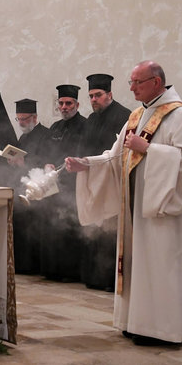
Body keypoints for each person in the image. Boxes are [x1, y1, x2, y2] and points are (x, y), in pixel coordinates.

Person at [66, 60, 182, 345]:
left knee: (162, 266)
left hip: (164, 210)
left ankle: (165, 330)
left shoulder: (179, 115)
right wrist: (88, 164)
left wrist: (150, 150)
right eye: (130, 82)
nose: (131, 88)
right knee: (137, 266)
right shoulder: (136, 116)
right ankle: (138, 322)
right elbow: (116, 156)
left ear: (156, 82)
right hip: (136, 209)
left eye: (136, 83)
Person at [79, 74, 131, 291]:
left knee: (110, 230)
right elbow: (84, 147)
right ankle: (95, 277)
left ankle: (111, 279)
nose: (94, 99)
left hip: (112, 180)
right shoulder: (91, 119)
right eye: (91, 96)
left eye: (98, 95)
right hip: (93, 178)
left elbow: (119, 153)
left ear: (109, 94)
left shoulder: (124, 116)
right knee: (95, 228)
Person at [40, 84, 86, 282]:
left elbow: (84, 154)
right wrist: (47, 164)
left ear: (77, 104)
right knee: (53, 225)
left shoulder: (85, 125)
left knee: (69, 226)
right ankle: (53, 269)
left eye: (68, 103)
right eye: (61, 103)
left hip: (72, 183)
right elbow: (46, 151)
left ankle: (70, 272)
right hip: (53, 184)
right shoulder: (55, 127)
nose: (64, 107)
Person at [10, 98, 50, 274]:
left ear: (34, 117)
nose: (21, 123)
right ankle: (22, 265)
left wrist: (24, 163)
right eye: (18, 119)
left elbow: (46, 161)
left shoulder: (46, 135)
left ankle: (33, 266)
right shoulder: (23, 137)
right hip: (22, 186)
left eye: (24, 119)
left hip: (38, 189)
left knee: (33, 227)